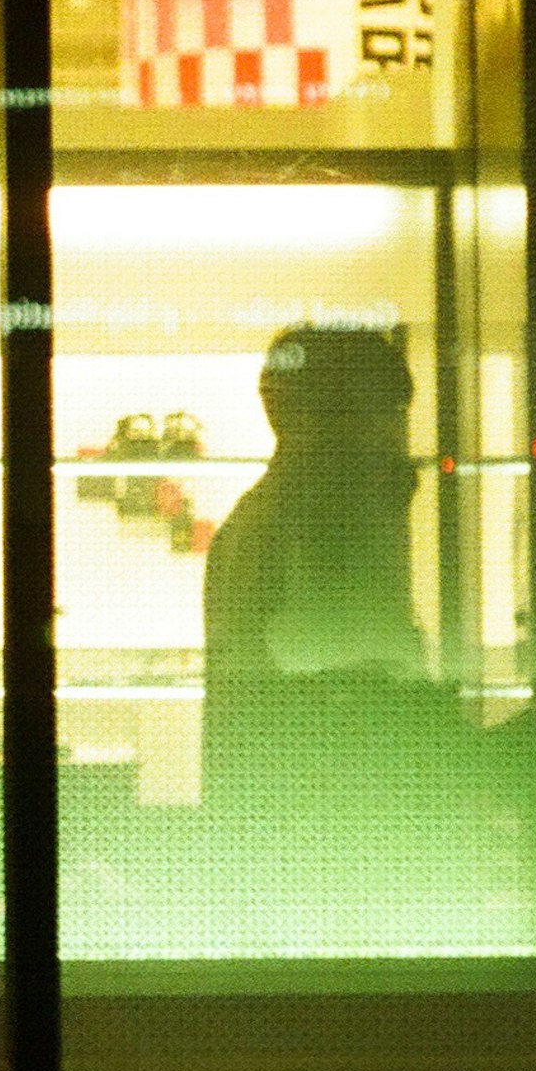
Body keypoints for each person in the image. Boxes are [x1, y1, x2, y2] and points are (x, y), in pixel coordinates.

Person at [199, 323, 448, 812]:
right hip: (334, 832)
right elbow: (365, 698)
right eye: (387, 415)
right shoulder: (323, 522)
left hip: (289, 829)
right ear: (336, 419)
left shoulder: (260, 519)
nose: (396, 439)